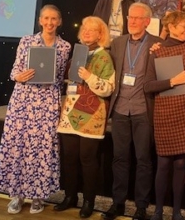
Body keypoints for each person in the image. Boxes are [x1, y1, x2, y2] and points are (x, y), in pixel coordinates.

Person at [0, 4, 71, 215]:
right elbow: (15, 71)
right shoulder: (27, 41)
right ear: (40, 20)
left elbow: (60, 76)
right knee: (18, 145)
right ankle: (17, 195)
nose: (49, 22)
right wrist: (18, 76)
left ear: (59, 21)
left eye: (54, 18)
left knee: (42, 148)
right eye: (46, 18)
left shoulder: (64, 46)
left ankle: (38, 196)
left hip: (47, 103)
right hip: (23, 100)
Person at [103, 3, 163, 220]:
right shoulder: (118, 43)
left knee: (143, 160)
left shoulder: (158, 44)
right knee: (119, 158)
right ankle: (118, 203)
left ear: (147, 21)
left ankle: (141, 207)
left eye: (138, 18)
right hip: (120, 109)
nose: (133, 21)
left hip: (142, 110)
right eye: (131, 17)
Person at [54, 16, 115, 218]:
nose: (87, 32)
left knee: (87, 159)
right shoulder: (77, 54)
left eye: (92, 30)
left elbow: (107, 89)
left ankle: (89, 200)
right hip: (70, 114)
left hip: (92, 115)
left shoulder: (104, 57)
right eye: (84, 29)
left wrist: (89, 77)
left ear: (100, 34)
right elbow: (68, 83)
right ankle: (70, 196)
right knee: (69, 157)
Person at [145, 11, 185, 220]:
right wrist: (172, 81)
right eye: (182, 26)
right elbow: (148, 86)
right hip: (165, 114)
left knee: (180, 165)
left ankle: (177, 212)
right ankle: (158, 211)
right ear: (170, 27)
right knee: (164, 165)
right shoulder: (157, 51)